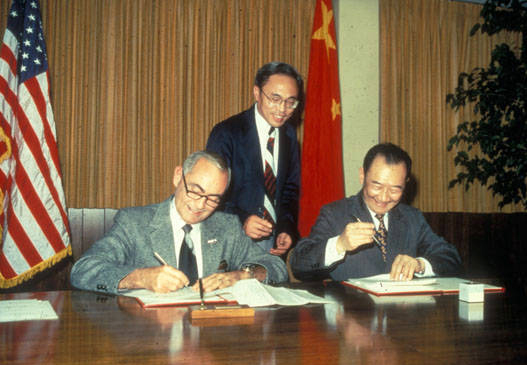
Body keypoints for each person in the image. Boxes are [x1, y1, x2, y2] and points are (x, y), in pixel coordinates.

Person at [70, 151, 288, 294]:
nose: (201, 205)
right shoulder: (135, 222)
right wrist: (139, 277)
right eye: (195, 190)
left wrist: (243, 275)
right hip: (151, 342)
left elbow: (277, 268)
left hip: (210, 343)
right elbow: (83, 269)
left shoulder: (226, 227)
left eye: (213, 198)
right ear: (177, 176)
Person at [291, 143, 462, 281]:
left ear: (405, 184)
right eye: (377, 186)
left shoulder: (412, 218)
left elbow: (451, 258)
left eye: (395, 189)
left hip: (400, 318)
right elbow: (299, 265)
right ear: (362, 176)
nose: (384, 197)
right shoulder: (335, 213)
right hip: (351, 316)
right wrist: (339, 244)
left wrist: (419, 264)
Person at [206, 61, 302, 257]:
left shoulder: (289, 135)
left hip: (272, 243)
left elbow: (289, 190)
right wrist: (242, 221)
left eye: (290, 102)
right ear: (257, 93)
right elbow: (211, 195)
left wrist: (286, 227)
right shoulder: (227, 133)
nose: (282, 109)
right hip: (231, 240)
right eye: (275, 99)